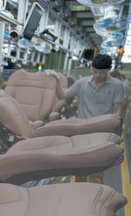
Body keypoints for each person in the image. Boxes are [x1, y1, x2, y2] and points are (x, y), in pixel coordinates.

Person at [47, 54, 124, 183]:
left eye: (102, 72)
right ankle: (79, 195)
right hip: (82, 132)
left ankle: (93, 197)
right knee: (79, 167)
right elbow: (62, 96)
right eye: (95, 71)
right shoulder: (83, 83)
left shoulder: (116, 85)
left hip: (102, 133)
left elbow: (118, 110)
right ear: (91, 68)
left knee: (97, 170)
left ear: (109, 69)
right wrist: (57, 80)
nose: (98, 75)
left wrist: (113, 130)